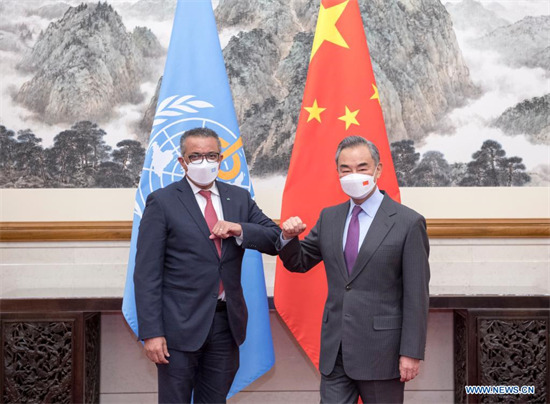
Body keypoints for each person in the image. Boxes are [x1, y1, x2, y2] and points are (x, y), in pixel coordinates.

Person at [279, 136, 430, 404]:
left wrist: (411, 352)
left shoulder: (408, 222)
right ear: (337, 172)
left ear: (378, 170)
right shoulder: (329, 217)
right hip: (336, 351)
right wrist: (288, 238)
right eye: (345, 169)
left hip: (383, 353)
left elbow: (416, 295)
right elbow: (299, 262)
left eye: (362, 167)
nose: (353, 175)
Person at [134, 127, 280, 404]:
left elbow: (275, 239)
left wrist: (240, 229)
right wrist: (152, 333)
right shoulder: (162, 202)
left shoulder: (238, 198)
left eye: (211, 155)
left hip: (226, 324)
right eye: (196, 156)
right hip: (178, 328)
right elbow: (146, 275)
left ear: (221, 159)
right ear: (183, 162)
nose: (204, 162)